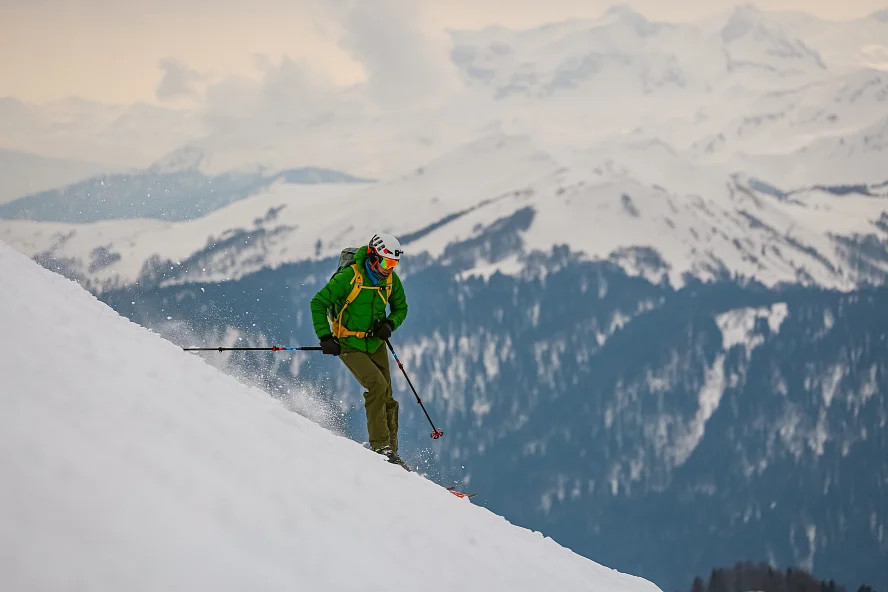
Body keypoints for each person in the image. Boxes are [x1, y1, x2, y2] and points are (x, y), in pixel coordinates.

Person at [309, 232, 410, 470]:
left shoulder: (390, 280)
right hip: (348, 343)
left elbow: (401, 308)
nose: (389, 268)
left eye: (394, 263)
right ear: (374, 257)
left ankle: (391, 454)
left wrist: (389, 324)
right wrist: (325, 337)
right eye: (386, 262)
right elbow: (318, 302)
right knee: (377, 386)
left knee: (388, 397)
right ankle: (381, 448)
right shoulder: (350, 277)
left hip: (374, 343)